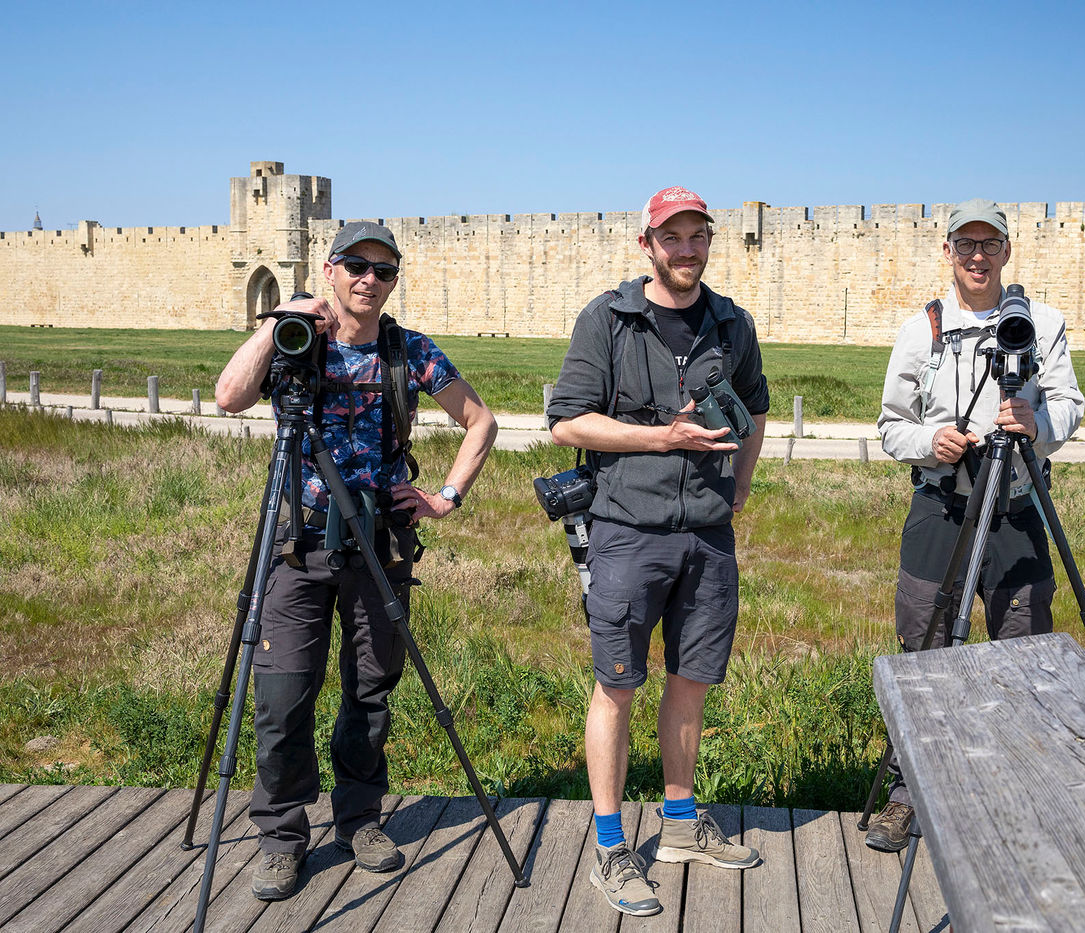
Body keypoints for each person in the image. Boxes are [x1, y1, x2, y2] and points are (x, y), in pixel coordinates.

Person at [214, 222, 498, 900]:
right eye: (355, 265)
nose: (369, 279)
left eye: (384, 270)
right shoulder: (298, 343)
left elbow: (480, 421)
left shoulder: (408, 351)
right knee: (282, 700)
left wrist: (445, 497)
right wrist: (282, 318)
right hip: (298, 544)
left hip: (380, 544)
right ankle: (282, 837)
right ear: (329, 268)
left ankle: (359, 819)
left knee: (371, 694)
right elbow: (229, 396)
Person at [547, 186, 769, 916]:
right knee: (616, 685)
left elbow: (757, 406)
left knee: (691, 680)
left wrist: (736, 489)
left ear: (710, 241)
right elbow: (568, 424)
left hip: (707, 536)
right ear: (647, 244)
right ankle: (611, 847)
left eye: (696, 236)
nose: (685, 249)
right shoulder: (609, 319)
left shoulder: (731, 323)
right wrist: (661, 438)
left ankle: (679, 825)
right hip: (626, 531)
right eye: (670, 237)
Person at [868, 198, 1085, 851]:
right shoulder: (922, 330)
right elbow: (890, 425)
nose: (978, 256)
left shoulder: (1040, 325)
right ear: (948, 251)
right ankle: (908, 793)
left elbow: (1070, 405)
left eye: (990, 245)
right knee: (924, 647)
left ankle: (1018, 793)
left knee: (1025, 652)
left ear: (1007, 252)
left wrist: (1036, 427)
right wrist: (929, 440)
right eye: (966, 244)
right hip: (942, 507)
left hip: (1017, 507)